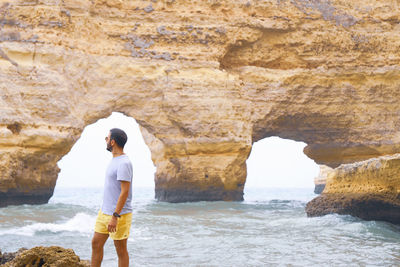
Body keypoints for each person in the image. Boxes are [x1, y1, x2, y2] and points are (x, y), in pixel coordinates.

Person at [91, 128, 133, 267]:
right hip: (105, 212)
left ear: (113, 142)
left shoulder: (124, 163)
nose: (106, 140)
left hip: (119, 215)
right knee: (96, 243)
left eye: (107, 138)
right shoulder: (114, 160)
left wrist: (115, 216)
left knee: (120, 250)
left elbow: (125, 192)